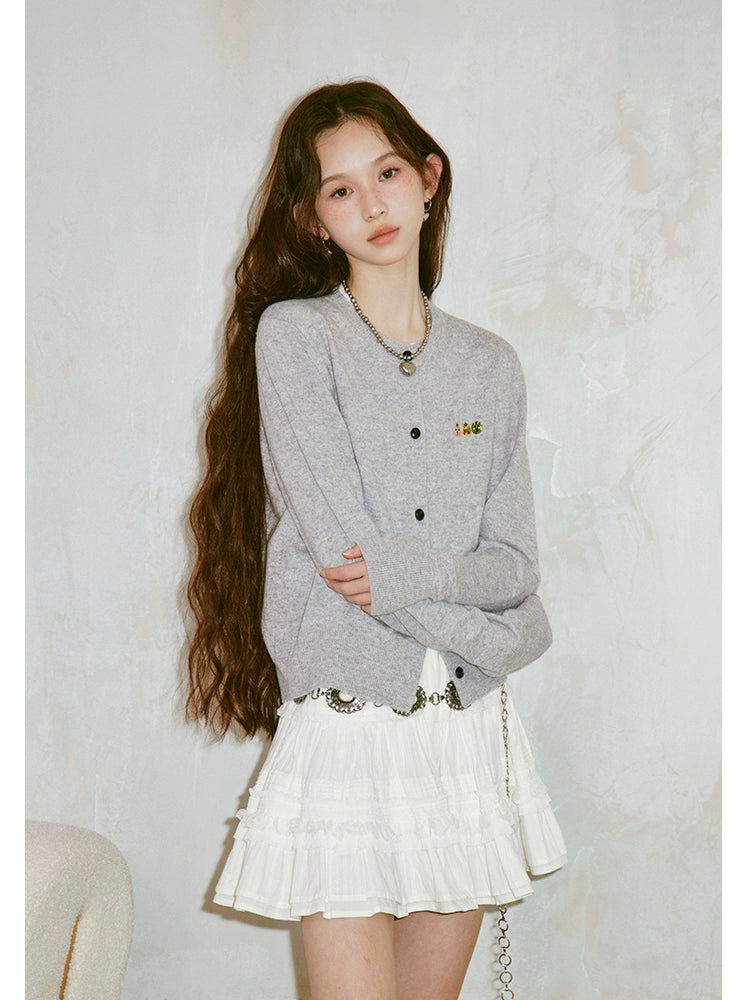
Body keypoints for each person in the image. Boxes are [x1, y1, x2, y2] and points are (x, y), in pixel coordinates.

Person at [186, 80, 566, 1000]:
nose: (373, 204)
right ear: (313, 220)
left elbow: (516, 563)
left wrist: (435, 587)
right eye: (341, 189)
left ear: (429, 179)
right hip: (349, 724)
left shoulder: (490, 365)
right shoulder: (296, 338)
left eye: (388, 173)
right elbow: (347, 559)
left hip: (462, 737)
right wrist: (508, 634)